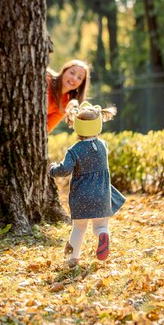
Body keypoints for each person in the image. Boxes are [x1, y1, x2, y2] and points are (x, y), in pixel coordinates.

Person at [49, 100, 126, 267]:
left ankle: (73, 258)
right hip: (102, 195)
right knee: (100, 225)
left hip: (81, 196)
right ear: (97, 126)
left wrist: (52, 170)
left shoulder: (74, 150)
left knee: (78, 228)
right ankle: (103, 235)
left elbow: (65, 170)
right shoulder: (103, 146)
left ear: (77, 127)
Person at [46, 59, 90, 134]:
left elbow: (47, 127)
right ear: (64, 71)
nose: (74, 78)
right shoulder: (46, 81)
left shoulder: (65, 104)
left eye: (79, 78)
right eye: (72, 73)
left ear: (81, 84)